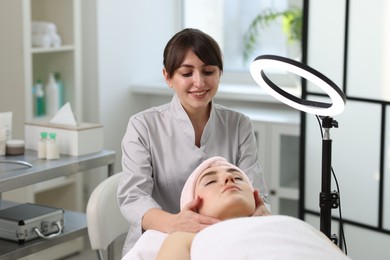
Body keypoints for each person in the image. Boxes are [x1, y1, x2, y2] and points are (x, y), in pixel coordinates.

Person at [117, 28, 269, 256]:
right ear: (168, 77)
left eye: (208, 71)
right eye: (186, 74)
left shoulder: (239, 125)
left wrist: (260, 215)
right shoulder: (143, 126)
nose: (199, 83)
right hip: (161, 237)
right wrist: (176, 224)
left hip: (224, 240)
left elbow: (256, 192)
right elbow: (133, 197)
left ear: (219, 74)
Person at [156, 157, 351, 260]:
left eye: (239, 178)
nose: (229, 178)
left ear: (255, 197)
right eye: (210, 181)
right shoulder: (186, 238)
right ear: (192, 207)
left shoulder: (293, 224)